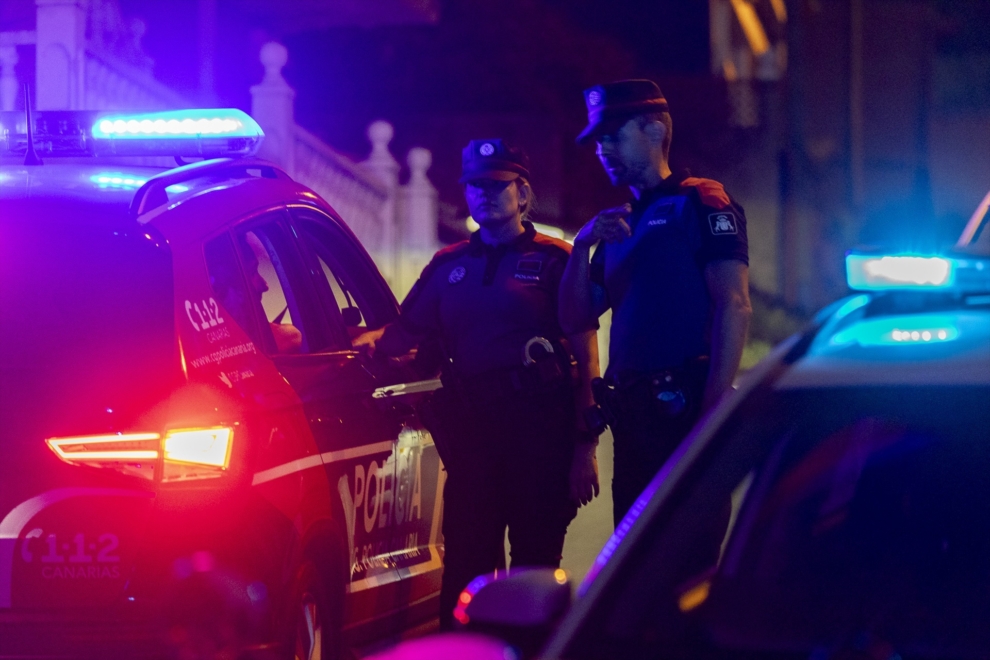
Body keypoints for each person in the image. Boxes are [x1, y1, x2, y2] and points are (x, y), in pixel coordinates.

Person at [354, 139, 600, 629]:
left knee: (533, 571)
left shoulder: (556, 260)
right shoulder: (448, 265)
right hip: (473, 444)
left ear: (522, 193)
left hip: (540, 441)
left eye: (496, 185)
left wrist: (585, 448)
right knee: (466, 567)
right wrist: (360, 343)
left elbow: (586, 355)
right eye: (474, 186)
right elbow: (403, 333)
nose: (483, 195)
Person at [559, 80, 752, 526]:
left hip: (686, 409)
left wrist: (711, 412)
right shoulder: (617, 224)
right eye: (597, 140)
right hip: (632, 419)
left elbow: (735, 305)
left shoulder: (701, 200)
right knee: (632, 564)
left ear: (654, 130)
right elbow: (576, 318)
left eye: (613, 135)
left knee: (689, 558)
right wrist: (582, 245)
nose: (602, 149)